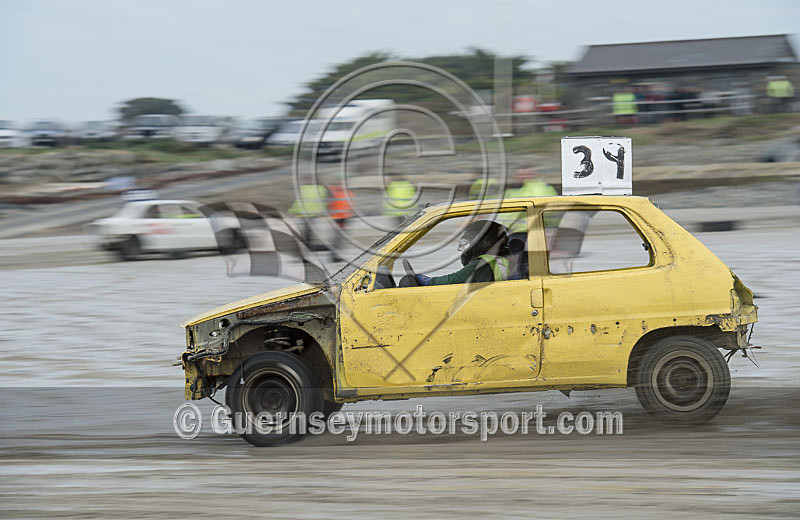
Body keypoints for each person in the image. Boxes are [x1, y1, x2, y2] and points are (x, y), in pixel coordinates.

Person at [400, 220, 510, 287]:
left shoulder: (486, 262)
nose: (466, 249)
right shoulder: (499, 260)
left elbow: (455, 280)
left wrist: (426, 281)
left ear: (483, 241)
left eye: (469, 242)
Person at [288, 183, 328, 248]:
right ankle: (306, 245)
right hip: (313, 213)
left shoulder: (302, 188)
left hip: (303, 213)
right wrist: (323, 211)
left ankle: (304, 245)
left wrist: (291, 211)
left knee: (305, 230)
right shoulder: (321, 188)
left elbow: (296, 201)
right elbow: (323, 201)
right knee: (308, 230)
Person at [327, 183, 354, 262]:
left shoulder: (344, 192)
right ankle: (334, 256)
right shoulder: (337, 192)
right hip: (339, 218)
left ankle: (335, 255)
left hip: (343, 218)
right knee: (338, 238)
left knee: (339, 238)